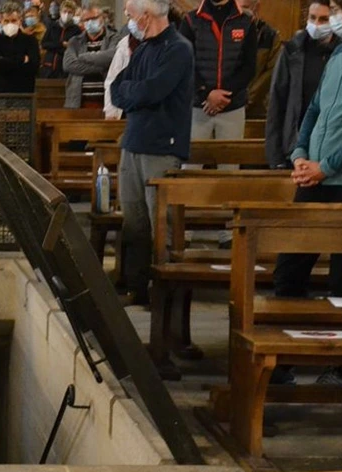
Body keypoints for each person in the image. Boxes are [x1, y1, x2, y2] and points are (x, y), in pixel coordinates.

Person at [272, 0, 342, 386]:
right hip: (313, 179)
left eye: (333, 7)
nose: (331, 15)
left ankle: (341, 365)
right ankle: (283, 360)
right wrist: (300, 152)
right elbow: (314, 109)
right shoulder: (341, 52)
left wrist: (326, 166)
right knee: (289, 270)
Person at [110, 0, 193, 306]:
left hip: (161, 145)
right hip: (132, 142)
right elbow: (117, 88)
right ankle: (136, 286)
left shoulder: (178, 49)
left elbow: (153, 91)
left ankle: (163, 292)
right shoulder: (143, 48)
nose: (129, 21)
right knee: (134, 222)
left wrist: (134, 94)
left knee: (161, 222)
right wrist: (134, 94)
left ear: (146, 16)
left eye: (131, 15)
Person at [180, 0, 256, 247]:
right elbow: (185, 62)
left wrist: (225, 95)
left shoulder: (245, 21)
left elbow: (249, 66)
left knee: (230, 170)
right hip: (197, 106)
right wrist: (206, 93)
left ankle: (228, 234)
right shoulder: (191, 20)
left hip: (231, 107)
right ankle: (185, 230)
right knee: (190, 170)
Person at [265, 0, 339, 169]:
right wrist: (275, 156)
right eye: (312, 18)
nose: (316, 24)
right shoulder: (292, 50)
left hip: (333, 146)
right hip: (297, 145)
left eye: (323, 19)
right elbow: (277, 102)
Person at [63, 1, 119, 108]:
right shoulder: (75, 41)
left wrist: (85, 57)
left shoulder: (114, 38)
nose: (90, 22)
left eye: (93, 18)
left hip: (107, 102)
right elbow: (69, 65)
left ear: (102, 17)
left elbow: (112, 57)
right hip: (77, 102)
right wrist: (103, 67)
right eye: (86, 20)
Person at [0, 1, 39, 93]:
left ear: (20, 21)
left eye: (13, 20)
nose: (10, 23)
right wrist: (22, 59)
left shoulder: (30, 40)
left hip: (24, 92)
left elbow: (34, 67)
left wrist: (3, 59)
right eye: (6, 21)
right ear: (1, 22)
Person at [239, 0, 279, 119]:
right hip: (226, 108)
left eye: (245, 7)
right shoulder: (224, 32)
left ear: (256, 7)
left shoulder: (270, 36)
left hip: (257, 111)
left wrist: (246, 99)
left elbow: (271, 72)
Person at [40, 0, 79, 78]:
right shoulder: (52, 26)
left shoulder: (76, 30)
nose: (67, 14)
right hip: (49, 65)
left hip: (65, 67)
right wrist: (61, 44)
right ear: (60, 12)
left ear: (74, 13)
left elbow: (75, 47)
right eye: (64, 11)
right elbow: (44, 44)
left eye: (70, 12)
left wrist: (57, 47)